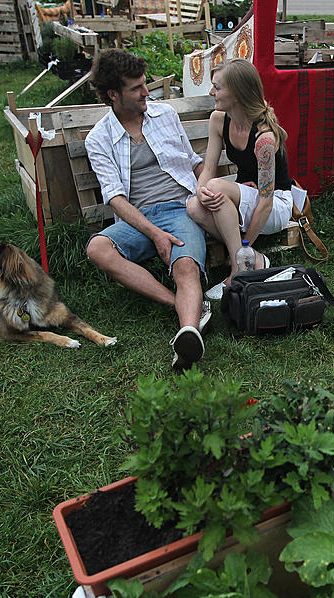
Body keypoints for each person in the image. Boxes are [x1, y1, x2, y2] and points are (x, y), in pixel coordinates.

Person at [85, 49, 210, 370]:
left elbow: (194, 163)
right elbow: (115, 198)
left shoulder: (164, 115)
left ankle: (188, 333)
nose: (146, 93)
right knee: (98, 247)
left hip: (181, 208)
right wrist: (155, 234)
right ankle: (183, 307)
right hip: (138, 218)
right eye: (136, 88)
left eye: (145, 84)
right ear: (113, 94)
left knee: (185, 268)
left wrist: (210, 192)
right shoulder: (99, 138)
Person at [187, 58, 306, 300]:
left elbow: (266, 202)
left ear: (238, 93)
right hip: (247, 195)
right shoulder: (219, 119)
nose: (211, 92)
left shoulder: (264, 138)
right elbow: (208, 169)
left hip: (276, 206)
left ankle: (239, 267)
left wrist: (241, 249)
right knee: (194, 206)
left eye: (217, 87)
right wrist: (201, 191)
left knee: (217, 188)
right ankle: (256, 259)